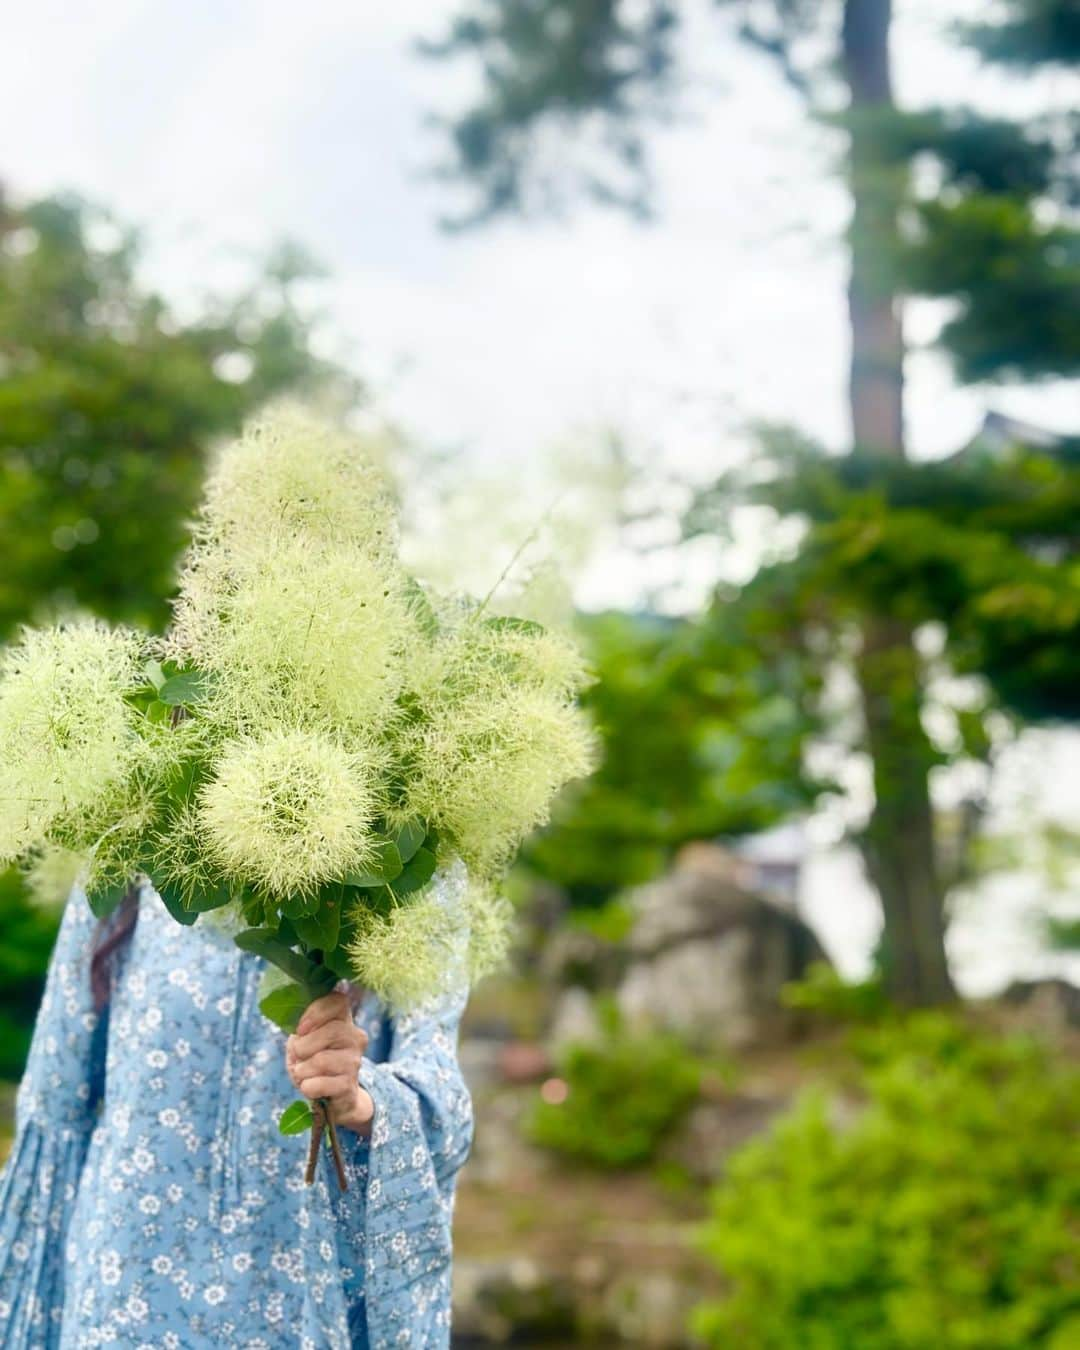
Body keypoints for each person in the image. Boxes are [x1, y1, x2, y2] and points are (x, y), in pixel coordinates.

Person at [0, 863, 474, 1349]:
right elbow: (56, 1108)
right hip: (125, 1290)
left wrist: (360, 1097)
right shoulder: (137, 837)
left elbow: (443, 1117)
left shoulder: (409, 861)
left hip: (302, 1294)